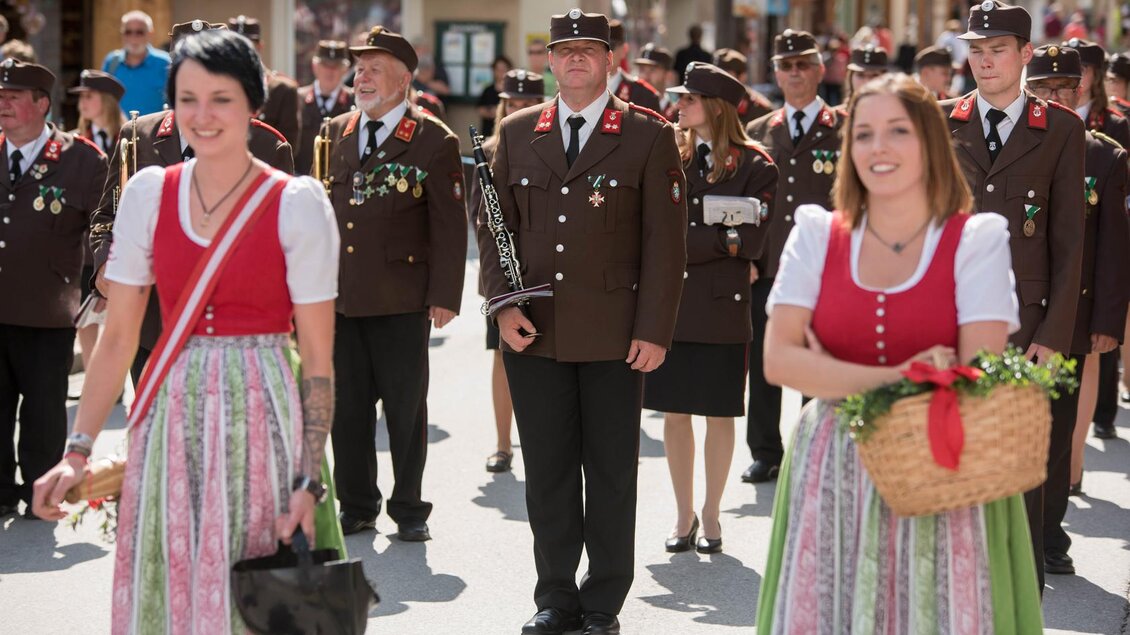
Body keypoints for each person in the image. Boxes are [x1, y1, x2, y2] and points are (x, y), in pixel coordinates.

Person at [32, 29, 342, 632]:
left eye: (221, 98)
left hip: (264, 415)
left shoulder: (298, 203)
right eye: (187, 98)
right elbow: (119, 337)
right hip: (170, 414)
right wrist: (77, 451)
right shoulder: (149, 194)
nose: (202, 116)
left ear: (255, 105)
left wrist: (309, 479)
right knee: (172, 587)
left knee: (257, 595)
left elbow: (320, 359)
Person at [756, 70, 1044, 635]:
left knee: (937, 613)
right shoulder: (817, 233)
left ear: (930, 145)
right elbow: (779, 361)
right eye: (863, 134)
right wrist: (903, 373)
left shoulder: (976, 238)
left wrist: (832, 370)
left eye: (898, 131)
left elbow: (972, 374)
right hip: (833, 463)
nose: (878, 147)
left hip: (941, 460)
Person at [477, 9, 685, 635]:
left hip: (617, 337)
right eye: (562, 49)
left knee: (612, 472)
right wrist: (502, 304)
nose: (573, 59)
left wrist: (654, 329)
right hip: (534, 332)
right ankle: (555, 596)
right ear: (547, 61)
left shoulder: (647, 136)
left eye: (587, 50)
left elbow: (665, 245)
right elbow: (493, 228)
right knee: (547, 473)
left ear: (610, 60)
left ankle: (602, 602)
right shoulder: (515, 133)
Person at [940, 0, 1085, 589]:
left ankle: (1019, 595)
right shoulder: (942, 121)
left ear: (1026, 54)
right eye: (975, 50)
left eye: (997, 49)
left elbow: (1071, 242)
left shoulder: (1061, 131)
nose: (985, 61)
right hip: (948, 324)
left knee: (1020, 470)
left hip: (1026, 330)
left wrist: (1054, 337)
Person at [88, 19, 296, 390]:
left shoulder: (268, 147)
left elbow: (285, 246)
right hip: (151, 323)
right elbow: (108, 215)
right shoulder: (138, 136)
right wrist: (105, 260)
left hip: (234, 332)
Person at [325, 26, 467, 542]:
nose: (362, 77)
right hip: (342, 298)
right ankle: (357, 503)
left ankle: (409, 507)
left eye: (374, 68)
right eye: (359, 68)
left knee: (405, 409)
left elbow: (450, 227)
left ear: (403, 79)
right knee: (348, 409)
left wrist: (444, 296)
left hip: (401, 298)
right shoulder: (333, 131)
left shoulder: (433, 139)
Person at [646, 62, 778, 555]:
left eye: (689, 99)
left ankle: (713, 513)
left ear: (715, 108)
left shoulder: (756, 165)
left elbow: (753, 240)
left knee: (719, 415)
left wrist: (698, 238)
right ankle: (684, 515)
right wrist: (718, 237)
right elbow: (660, 229)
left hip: (723, 307)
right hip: (675, 303)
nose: (679, 106)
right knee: (676, 414)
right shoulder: (668, 157)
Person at [0, 60, 108, 519]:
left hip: (48, 311)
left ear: (41, 104)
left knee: (44, 411)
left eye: (13, 97)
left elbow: (104, 225)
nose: (3, 104)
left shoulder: (81, 159)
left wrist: (100, 282)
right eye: (0, 97)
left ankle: (40, 494)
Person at [1023, 47, 1130, 503]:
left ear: (1080, 86)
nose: (1055, 95)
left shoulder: (1103, 153)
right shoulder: (1015, 141)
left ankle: (1065, 485)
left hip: (1078, 298)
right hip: (1022, 298)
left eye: (1064, 86)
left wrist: (1108, 322)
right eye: (1044, 88)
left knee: (1063, 406)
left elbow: (1112, 247)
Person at [744, 30, 845, 485]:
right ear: (776, 74)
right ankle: (766, 452)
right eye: (787, 66)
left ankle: (811, 451)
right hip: (768, 266)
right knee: (766, 362)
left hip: (824, 270)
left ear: (820, 70)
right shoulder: (759, 132)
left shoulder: (843, 128)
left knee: (814, 363)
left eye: (804, 64)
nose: (795, 73)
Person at [469, 69, 546, 473]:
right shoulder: (492, 150)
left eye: (525, 102)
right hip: (504, 277)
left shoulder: (550, 145)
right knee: (504, 358)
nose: (516, 109)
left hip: (543, 274)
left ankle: (539, 441)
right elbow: (479, 220)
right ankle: (502, 443)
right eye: (511, 103)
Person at [68, 70, 126, 387]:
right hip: (82, 237)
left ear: (105, 101)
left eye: (88, 96)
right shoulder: (75, 141)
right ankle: (95, 380)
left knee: (118, 312)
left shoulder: (128, 138)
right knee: (84, 313)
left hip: (119, 233)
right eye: (80, 97)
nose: (82, 103)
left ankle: (114, 380)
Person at [228, 15, 302, 152]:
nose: (241, 51)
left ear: (260, 46)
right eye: (236, 45)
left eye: (248, 45)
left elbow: (289, 147)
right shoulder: (221, 87)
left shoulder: (283, 90)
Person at [296, 40, 354, 175]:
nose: (330, 71)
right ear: (315, 66)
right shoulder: (297, 98)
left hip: (339, 183)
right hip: (302, 179)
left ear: (345, 69)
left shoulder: (354, 101)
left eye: (336, 65)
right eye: (325, 65)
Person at [101, 10, 171, 116]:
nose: (133, 37)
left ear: (150, 34)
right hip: (118, 131)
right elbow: (103, 100)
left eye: (139, 32)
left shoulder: (165, 63)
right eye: (128, 32)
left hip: (153, 131)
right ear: (122, 34)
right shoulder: (111, 62)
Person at [1063, 38, 1130, 148]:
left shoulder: (1114, 124)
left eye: (1081, 69)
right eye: (1068, 68)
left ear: (1096, 77)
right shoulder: (1051, 116)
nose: (1073, 75)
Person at [607, 20, 661, 112]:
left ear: (624, 50)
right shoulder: (579, 89)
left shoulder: (645, 95)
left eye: (610, 47)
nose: (605, 53)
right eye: (594, 48)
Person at [711, 48, 774, 124]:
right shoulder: (708, 102)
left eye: (726, 75)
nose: (719, 81)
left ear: (742, 77)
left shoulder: (760, 109)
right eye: (716, 75)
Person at [477, 55, 514, 137]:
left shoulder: (513, 92)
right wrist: (492, 112)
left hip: (507, 133)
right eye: (498, 69)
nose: (501, 72)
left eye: (503, 69)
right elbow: (480, 109)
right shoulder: (487, 90)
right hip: (489, 132)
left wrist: (498, 112)